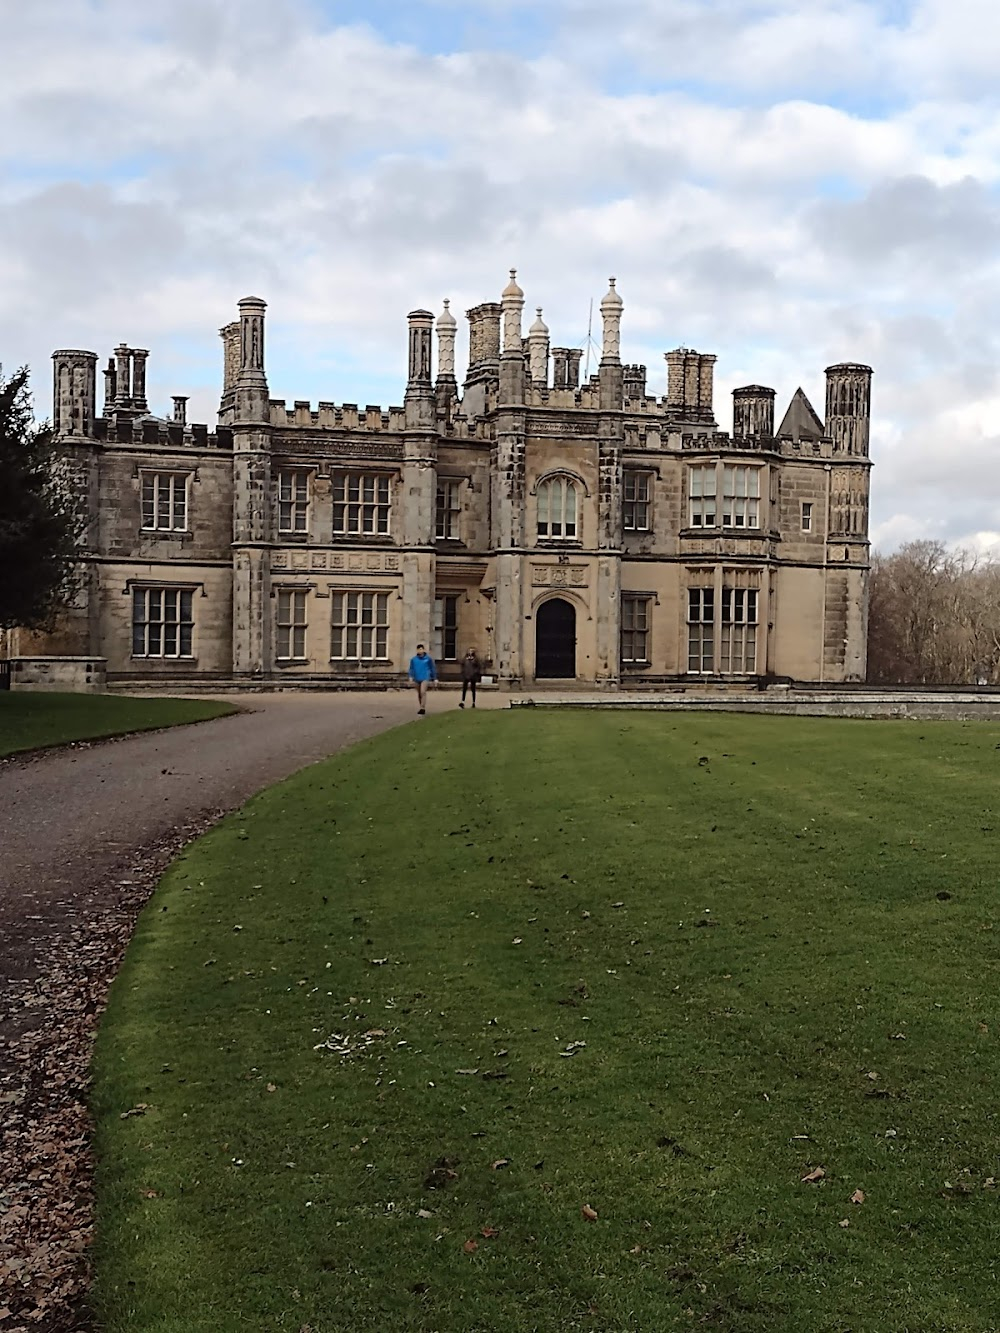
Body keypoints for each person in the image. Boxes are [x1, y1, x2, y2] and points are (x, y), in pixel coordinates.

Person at [408, 644, 437, 715]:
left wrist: (435, 678)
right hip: (417, 677)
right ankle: (421, 705)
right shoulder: (413, 660)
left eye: (421, 649)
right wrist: (411, 677)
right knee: (419, 693)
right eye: (419, 649)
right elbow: (411, 668)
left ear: (423, 650)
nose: (420, 651)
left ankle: (422, 708)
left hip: (425, 677)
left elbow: (432, 668)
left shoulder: (428, 659)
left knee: (423, 691)